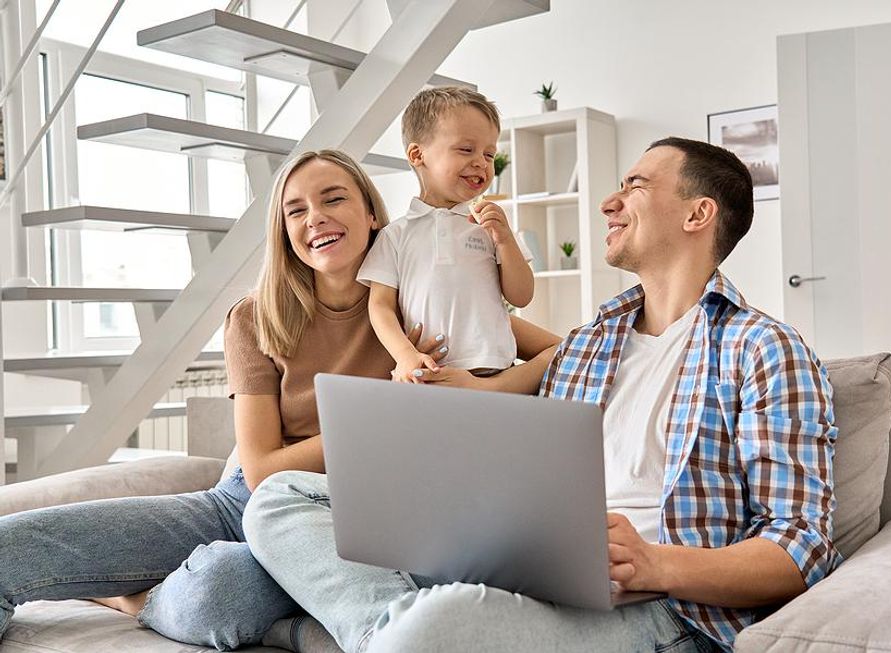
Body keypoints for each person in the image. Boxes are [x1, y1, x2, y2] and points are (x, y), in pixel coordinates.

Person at [241, 138, 843, 653]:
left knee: (440, 627)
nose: (609, 201)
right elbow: (503, 433)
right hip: (523, 563)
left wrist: (656, 563)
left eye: (635, 185)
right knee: (279, 497)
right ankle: (389, 633)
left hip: (655, 606)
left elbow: (802, 546)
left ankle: (393, 631)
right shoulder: (586, 344)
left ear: (697, 214)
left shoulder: (764, 349)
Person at [0, 149, 560, 652]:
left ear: (371, 213)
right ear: (285, 230)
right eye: (296, 209)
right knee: (10, 546)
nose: (314, 216)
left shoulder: (424, 299)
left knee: (222, 596)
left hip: (349, 516)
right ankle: (159, 592)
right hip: (242, 499)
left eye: (333, 197)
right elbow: (263, 467)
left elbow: (567, 351)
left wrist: (481, 387)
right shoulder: (255, 317)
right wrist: (381, 409)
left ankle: (141, 599)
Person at [358, 86, 535, 383]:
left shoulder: (491, 226)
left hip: (496, 370)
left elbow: (522, 296)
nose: (482, 161)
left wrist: (505, 241)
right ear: (418, 154)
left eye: (489, 154)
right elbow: (380, 306)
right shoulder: (395, 235)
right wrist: (404, 355)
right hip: (432, 371)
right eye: (466, 149)